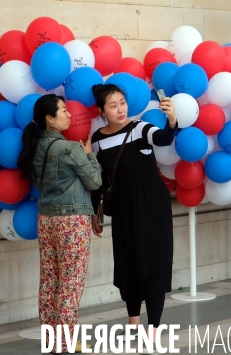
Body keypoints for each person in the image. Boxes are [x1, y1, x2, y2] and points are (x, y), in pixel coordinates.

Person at [91, 84, 177, 351]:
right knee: (128, 261)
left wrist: (172, 119)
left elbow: (163, 138)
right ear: (101, 111)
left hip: (152, 203)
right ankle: (133, 323)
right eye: (113, 105)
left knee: (153, 262)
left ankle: (153, 329)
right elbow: (97, 179)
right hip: (125, 206)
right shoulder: (97, 140)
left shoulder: (140, 128)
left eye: (122, 102)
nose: (120, 109)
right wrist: (96, 211)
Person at [17, 94, 102, 354]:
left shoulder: (35, 148)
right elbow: (95, 182)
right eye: (63, 111)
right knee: (71, 281)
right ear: (50, 118)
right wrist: (89, 155)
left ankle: (51, 339)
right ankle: (65, 341)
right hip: (72, 221)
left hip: (47, 219)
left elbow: (43, 184)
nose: (69, 115)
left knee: (49, 279)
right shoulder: (70, 148)